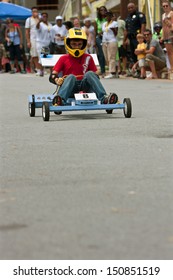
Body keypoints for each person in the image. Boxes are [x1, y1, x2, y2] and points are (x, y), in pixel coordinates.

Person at [49, 27, 118, 106]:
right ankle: (60, 100)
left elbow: (95, 75)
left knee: (90, 74)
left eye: (79, 44)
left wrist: (96, 73)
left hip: (85, 86)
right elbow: (53, 75)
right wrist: (56, 80)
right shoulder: (63, 58)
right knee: (71, 77)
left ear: (84, 44)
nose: (77, 47)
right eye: (74, 44)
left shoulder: (88, 57)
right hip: (70, 87)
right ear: (68, 43)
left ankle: (104, 98)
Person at [102, 11, 118, 79]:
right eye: (106, 16)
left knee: (111, 57)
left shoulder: (115, 23)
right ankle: (112, 71)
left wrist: (113, 30)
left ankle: (112, 72)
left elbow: (116, 33)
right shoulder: (104, 24)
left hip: (112, 41)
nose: (107, 17)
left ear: (111, 16)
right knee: (107, 57)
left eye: (109, 16)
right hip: (104, 41)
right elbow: (103, 31)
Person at [36, 12, 52, 76]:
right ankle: (40, 71)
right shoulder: (40, 24)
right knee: (41, 57)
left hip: (47, 43)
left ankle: (43, 69)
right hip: (40, 43)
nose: (44, 17)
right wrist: (39, 22)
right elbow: (37, 27)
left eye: (45, 16)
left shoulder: (50, 25)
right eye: (43, 16)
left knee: (45, 56)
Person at [25, 7, 40, 74]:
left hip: (40, 39)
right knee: (34, 54)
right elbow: (27, 31)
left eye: (36, 11)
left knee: (41, 54)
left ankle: (41, 68)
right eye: (34, 11)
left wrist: (38, 20)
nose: (35, 12)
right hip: (33, 39)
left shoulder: (39, 19)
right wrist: (28, 41)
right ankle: (37, 68)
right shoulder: (29, 20)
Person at [94, 6, 107, 77]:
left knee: (107, 54)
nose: (103, 11)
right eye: (101, 10)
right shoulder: (97, 20)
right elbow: (95, 31)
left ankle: (112, 70)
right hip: (99, 38)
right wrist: (94, 41)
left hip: (107, 37)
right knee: (101, 54)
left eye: (104, 10)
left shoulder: (107, 19)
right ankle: (103, 71)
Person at [162, 0, 173, 74]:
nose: (165, 7)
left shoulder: (171, 13)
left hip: (171, 33)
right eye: (164, 6)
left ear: (169, 6)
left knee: (171, 52)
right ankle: (171, 67)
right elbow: (163, 26)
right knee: (168, 52)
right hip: (166, 34)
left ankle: (172, 67)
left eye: (167, 5)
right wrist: (162, 36)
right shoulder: (163, 15)